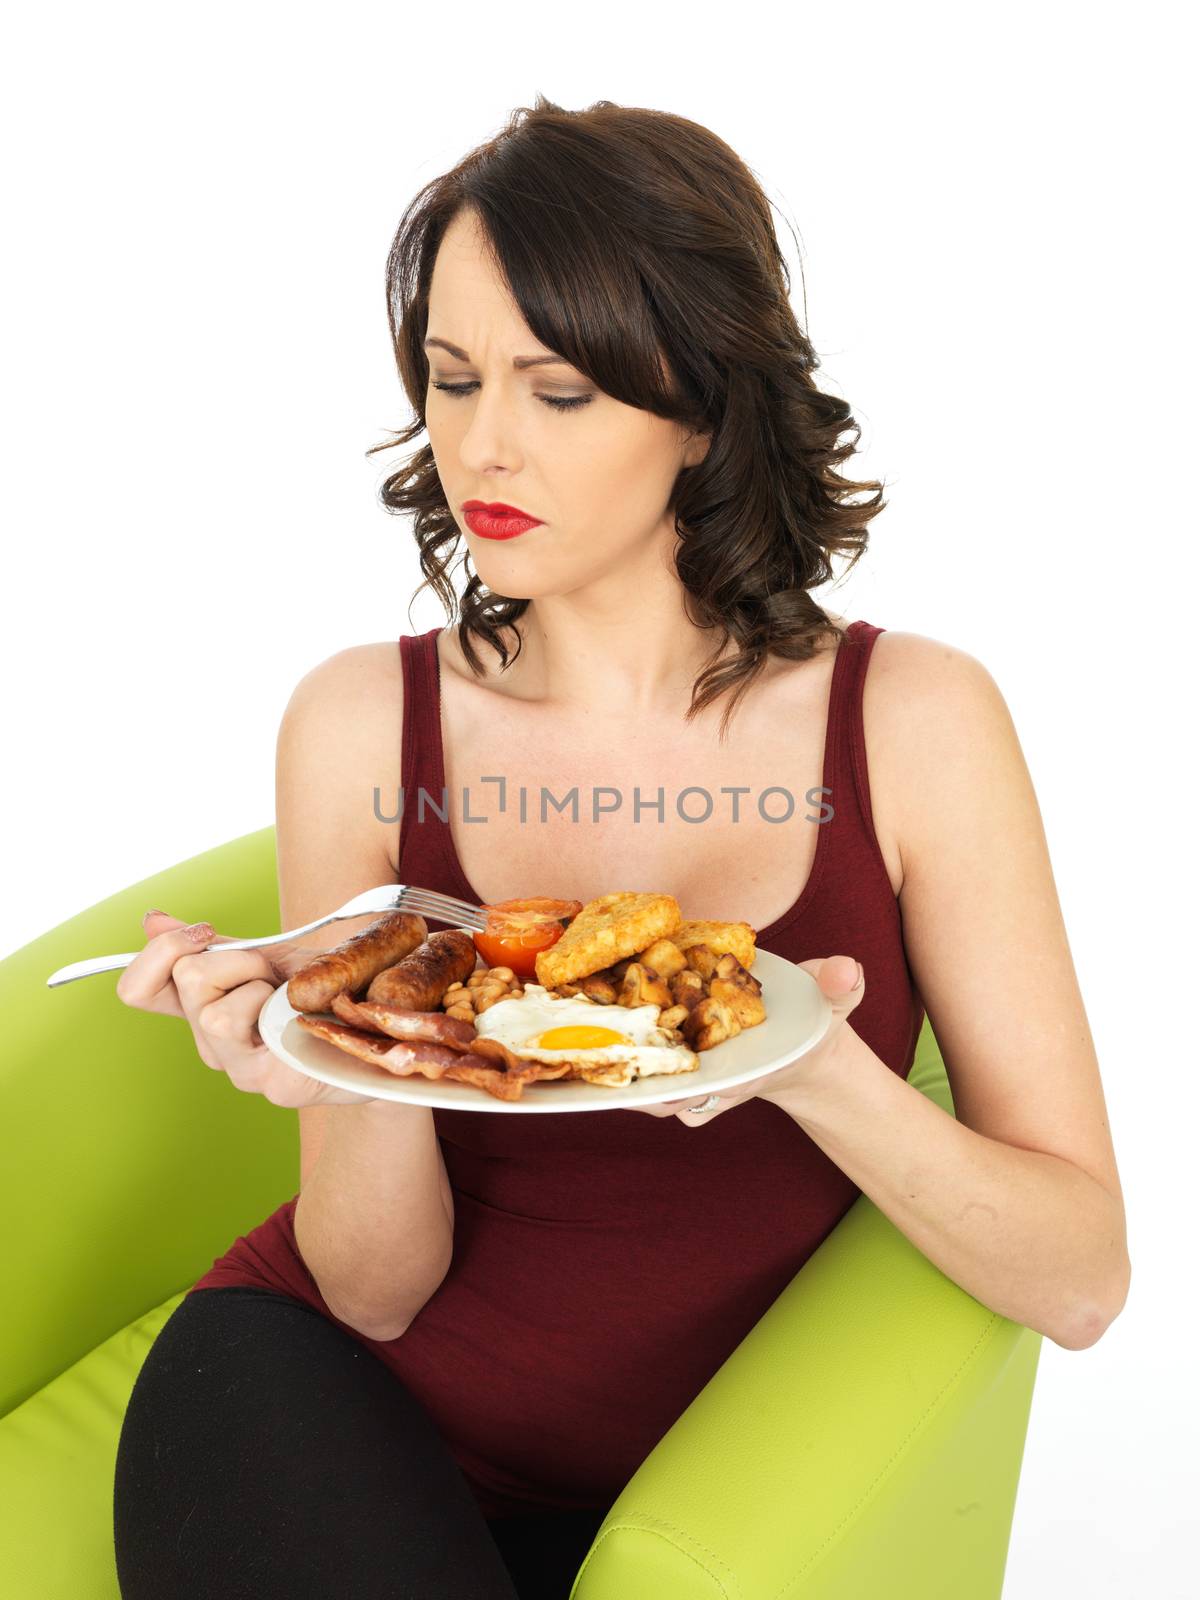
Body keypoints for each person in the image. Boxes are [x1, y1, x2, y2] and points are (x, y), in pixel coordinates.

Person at [111, 95, 1129, 1598]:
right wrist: (348, 1038)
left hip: (699, 1501)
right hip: (324, 1401)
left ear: (704, 408)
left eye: (562, 392)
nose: (485, 444)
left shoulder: (912, 720)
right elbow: (377, 1297)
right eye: (452, 381)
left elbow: (1081, 1278)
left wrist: (818, 1075)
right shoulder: (354, 723)